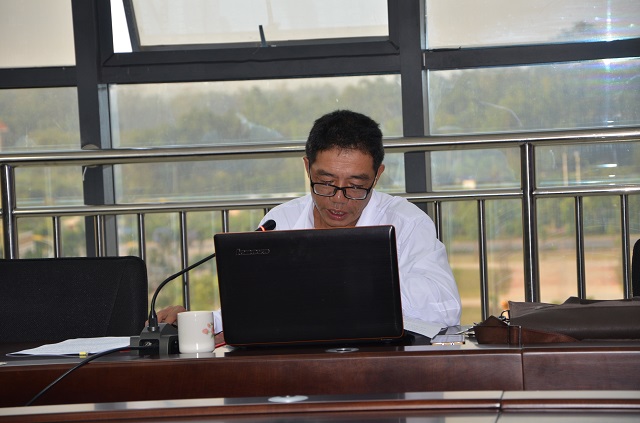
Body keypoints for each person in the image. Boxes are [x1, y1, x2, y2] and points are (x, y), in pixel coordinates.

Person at [156, 110, 461, 335]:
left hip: (378, 364)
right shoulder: (280, 221)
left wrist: (349, 285)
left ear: (377, 175)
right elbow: (252, 308)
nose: (338, 199)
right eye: (325, 183)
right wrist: (197, 323)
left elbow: (445, 307)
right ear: (307, 168)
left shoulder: (407, 223)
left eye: (356, 186)